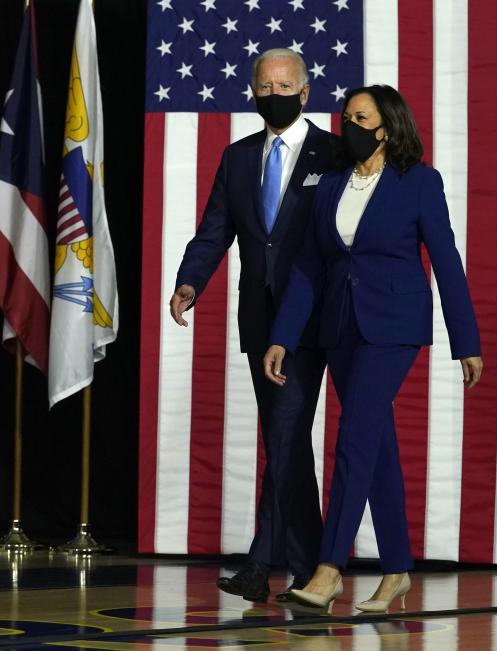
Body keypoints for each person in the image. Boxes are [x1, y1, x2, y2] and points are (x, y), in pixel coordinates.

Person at [263, 85, 483, 613]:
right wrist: (282, 336)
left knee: (353, 437)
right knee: (375, 445)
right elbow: (309, 268)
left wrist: (466, 341)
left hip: (394, 327)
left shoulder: (420, 182)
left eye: (361, 118)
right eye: (346, 117)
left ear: (387, 128)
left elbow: (447, 261)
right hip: (341, 328)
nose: (350, 126)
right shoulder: (331, 183)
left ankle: (329, 567)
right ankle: (397, 570)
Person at [169, 48, 340, 602]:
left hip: (310, 321)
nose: (274, 95)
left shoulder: (333, 154)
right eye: (265, 87)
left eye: (284, 86)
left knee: (286, 434)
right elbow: (214, 229)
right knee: (286, 441)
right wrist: (190, 281)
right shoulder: (238, 156)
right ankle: (310, 569)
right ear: (252, 91)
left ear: (306, 92)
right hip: (259, 319)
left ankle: (260, 564)